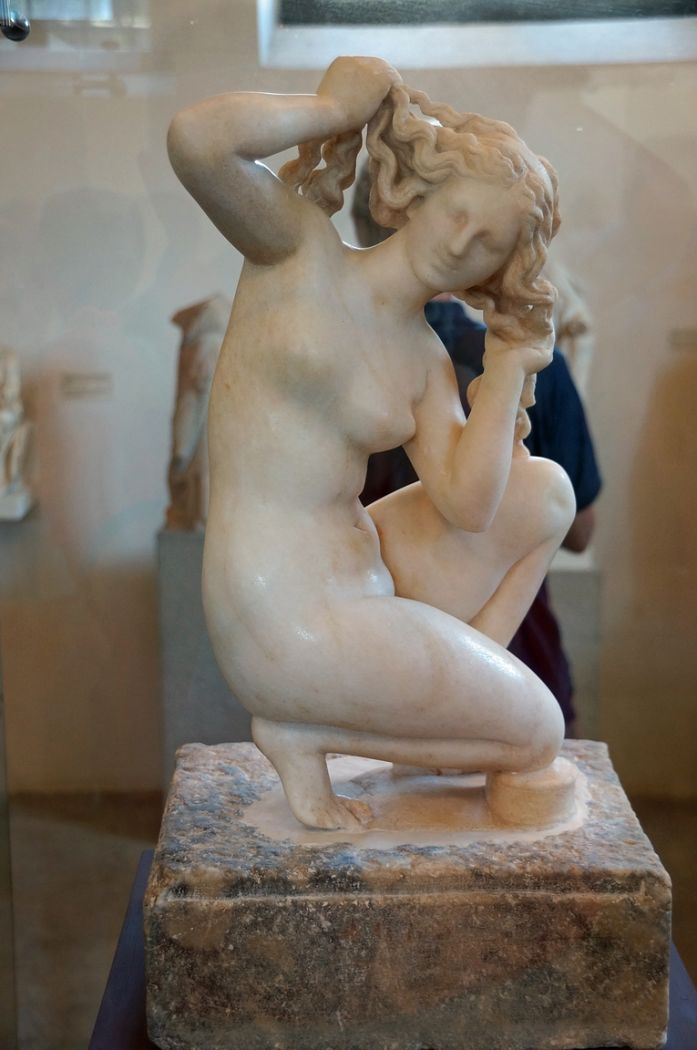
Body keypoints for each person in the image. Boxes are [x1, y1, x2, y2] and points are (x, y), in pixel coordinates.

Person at [167, 56, 576, 830]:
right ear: (418, 193)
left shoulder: (424, 359)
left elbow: (471, 506)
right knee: (537, 734)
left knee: (545, 492)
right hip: (280, 606)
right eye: (457, 212)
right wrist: (329, 110)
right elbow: (197, 142)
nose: (460, 242)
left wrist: (504, 368)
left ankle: (450, 694)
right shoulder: (296, 247)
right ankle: (304, 727)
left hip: (366, 574)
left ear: (497, 267)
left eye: (487, 242)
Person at [353, 162, 602, 730]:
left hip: (376, 649)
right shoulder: (530, 364)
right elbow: (581, 531)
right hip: (506, 661)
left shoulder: (349, 359)